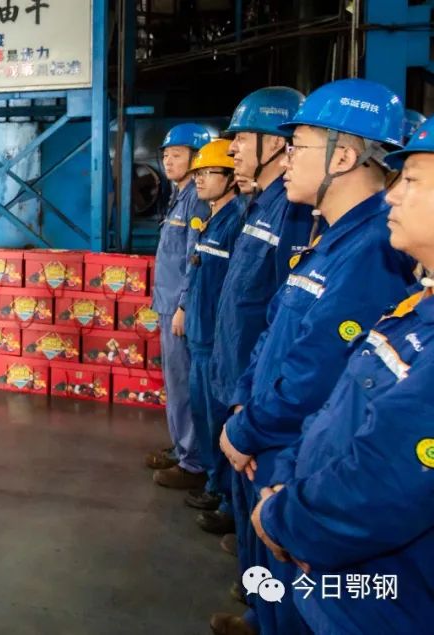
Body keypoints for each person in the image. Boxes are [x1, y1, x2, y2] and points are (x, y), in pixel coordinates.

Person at [216, 78, 416, 635]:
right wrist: (242, 408)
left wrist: (250, 428)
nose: (286, 162)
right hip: (266, 436)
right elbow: (273, 327)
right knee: (271, 586)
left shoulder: (374, 249)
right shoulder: (332, 237)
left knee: (297, 598)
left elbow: (321, 368)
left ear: (344, 157)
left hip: (293, 450)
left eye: (297, 147)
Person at [200, 89, 313, 618]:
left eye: (243, 138)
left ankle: (260, 611)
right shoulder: (260, 205)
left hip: (261, 396)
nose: (234, 150)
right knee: (249, 510)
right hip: (241, 379)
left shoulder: (292, 215)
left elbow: (282, 319)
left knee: (265, 511)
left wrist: (252, 401)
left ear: (275, 144)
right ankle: (253, 598)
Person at [180, 139, 245, 538]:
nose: (200, 180)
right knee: (204, 416)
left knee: (220, 419)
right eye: (198, 174)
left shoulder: (237, 220)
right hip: (200, 336)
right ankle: (213, 483)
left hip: (218, 342)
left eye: (209, 173)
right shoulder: (211, 218)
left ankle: (227, 501)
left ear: (231, 178)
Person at [147, 123, 211, 491]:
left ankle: (193, 461)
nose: (168, 161)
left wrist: (184, 306)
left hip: (179, 309)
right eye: (166, 155)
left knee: (185, 383)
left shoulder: (198, 200)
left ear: (197, 158)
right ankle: (181, 445)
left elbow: (194, 259)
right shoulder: (179, 196)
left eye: (177, 155)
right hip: (168, 303)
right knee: (175, 382)